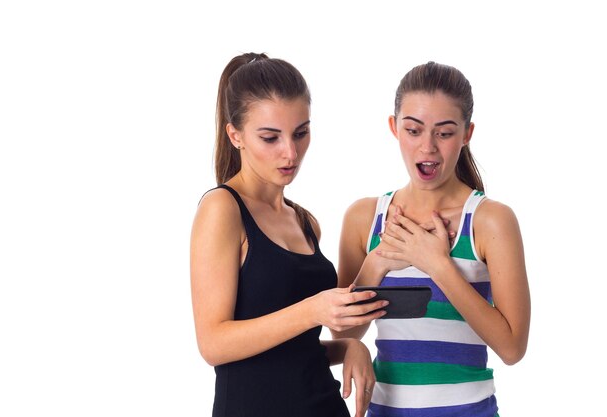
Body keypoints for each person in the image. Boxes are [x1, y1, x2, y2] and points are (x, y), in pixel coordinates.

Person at [190, 52, 387, 417]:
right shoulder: (223, 209)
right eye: (270, 137)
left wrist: (347, 348)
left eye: (301, 133)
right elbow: (213, 343)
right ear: (235, 135)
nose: (291, 152)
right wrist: (313, 310)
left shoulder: (305, 222)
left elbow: (293, 350)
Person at [333, 62, 531, 417]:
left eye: (444, 132)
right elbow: (343, 334)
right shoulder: (364, 217)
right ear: (394, 128)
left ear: (467, 133)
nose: (428, 147)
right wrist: (377, 261)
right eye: (413, 130)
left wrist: (438, 265)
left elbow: (512, 348)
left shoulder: (491, 221)